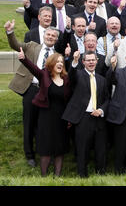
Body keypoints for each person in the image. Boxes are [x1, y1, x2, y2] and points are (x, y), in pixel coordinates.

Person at [5, 20, 66, 168]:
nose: (50, 37)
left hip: (48, 93)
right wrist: (10, 32)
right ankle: (29, 155)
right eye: (48, 34)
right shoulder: (32, 46)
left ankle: (45, 153)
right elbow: (15, 45)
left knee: (45, 125)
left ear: (56, 39)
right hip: (31, 89)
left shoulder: (58, 55)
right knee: (29, 123)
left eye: (53, 36)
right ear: (44, 35)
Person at [17, 45, 70, 177]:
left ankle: (57, 176)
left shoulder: (66, 79)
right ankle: (44, 176)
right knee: (46, 147)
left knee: (59, 147)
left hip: (61, 118)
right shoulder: (44, 75)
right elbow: (33, 68)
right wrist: (24, 59)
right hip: (46, 116)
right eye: (57, 62)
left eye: (61, 62)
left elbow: (69, 99)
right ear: (51, 63)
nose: (60, 64)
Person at [62, 50, 110, 178]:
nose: (91, 62)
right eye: (88, 60)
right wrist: (74, 62)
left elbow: (107, 99)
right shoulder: (77, 75)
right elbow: (70, 77)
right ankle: (82, 174)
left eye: (93, 60)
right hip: (83, 118)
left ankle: (101, 173)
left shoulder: (102, 79)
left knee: (100, 148)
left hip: (98, 118)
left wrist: (101, 110)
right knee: (82, 148)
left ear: (96, 61)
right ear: (83, 62)